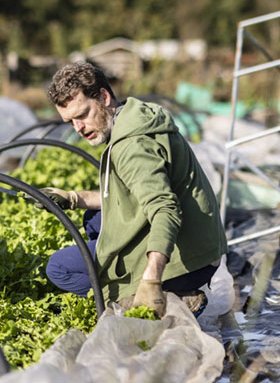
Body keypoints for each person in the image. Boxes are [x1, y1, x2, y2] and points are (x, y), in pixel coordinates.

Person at [41, 62, 227, 317]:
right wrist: (75, 198)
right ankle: (147, 280)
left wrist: (151, 281)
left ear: (104, 97)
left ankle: (157, 295)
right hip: (203, 246)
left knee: (59, 267)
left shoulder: (132, 146)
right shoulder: (134, 117)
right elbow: (127, 198)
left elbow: (165, 210)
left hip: (190, 263)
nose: (78, 128)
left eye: (82, 115)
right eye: (70, 121)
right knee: (95, 221)